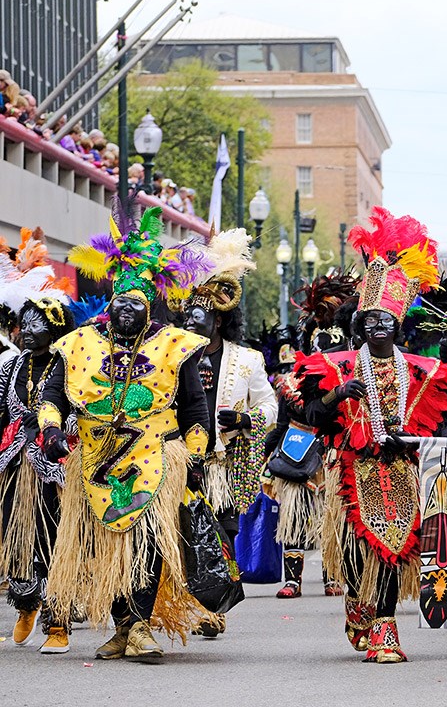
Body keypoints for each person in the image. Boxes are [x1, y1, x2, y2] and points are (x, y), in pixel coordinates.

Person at [40, 206, 212, 661]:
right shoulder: (79, 343)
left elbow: (195, 407)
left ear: (149, 305)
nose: (126, 312)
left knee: (148, 539)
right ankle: (124, 627)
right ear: (110, 303)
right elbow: (53, 395)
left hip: (156, 455)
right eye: (119, 305)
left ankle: (138, 626)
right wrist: (53, 432)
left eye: (135, 305)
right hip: (95, 458)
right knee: (107, 545)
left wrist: (195, 455)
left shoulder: (175, 345)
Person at [302, 208, 447, 664]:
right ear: (360, 325)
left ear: (397, 325)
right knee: (355, 553)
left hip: (402, 470)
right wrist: (338, 395)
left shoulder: (423, 370)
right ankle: (358, 599)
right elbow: (313, 415)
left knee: (395, 549)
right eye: (370, 321)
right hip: (353, 469)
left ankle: (386, 630)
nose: (377, 327)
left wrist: (418, 444)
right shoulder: (337, 365)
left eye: (385, 322)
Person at [180, 228, 277, 637]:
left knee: (222, 534)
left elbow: (270, 407)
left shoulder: (248, 360)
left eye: (200, 314)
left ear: (219, 318)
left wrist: (245, 421)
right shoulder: (170, 354)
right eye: (188, 314)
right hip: (181, 462)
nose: (192, 320)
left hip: (225, 466)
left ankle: (214, 606)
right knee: (187, 534)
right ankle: (198, 603)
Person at [0, 229, 75, 653]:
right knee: (15, 537)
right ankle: (27, 603)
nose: (25, 331)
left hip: (56, 465)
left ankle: (58, 621)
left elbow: (80, 409)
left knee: (53, 539)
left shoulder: (69, 366)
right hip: (12, 464)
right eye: (22, 325)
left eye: (36, 325)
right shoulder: (10, 368)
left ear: (55, 329)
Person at [265, 272, 358, 599]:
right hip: (296, 450)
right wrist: (268, 458)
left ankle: (332, 575)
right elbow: (281, 423)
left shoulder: (353, 376)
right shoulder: (292, 382)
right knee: (293, 519)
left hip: (333, 453)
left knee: (330, 518)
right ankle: (292, 580)